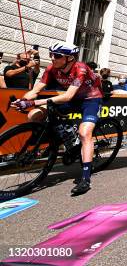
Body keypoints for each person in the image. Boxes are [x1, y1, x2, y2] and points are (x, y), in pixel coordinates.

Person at [10, 42, 103, 195]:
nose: (52, 58)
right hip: (72, 100)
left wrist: (32, 102)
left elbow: (67, 96)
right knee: (34, 114)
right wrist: (23, 100)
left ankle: (86, 179)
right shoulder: (51, 69)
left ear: (70, 58)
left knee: (85, 133)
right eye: (51, 54)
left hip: (91, 100)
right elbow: (35, 90)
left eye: (57, 55)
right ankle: (53, 141)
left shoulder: (81, 69)